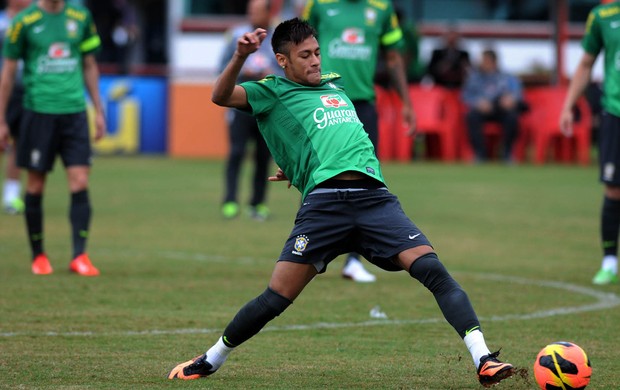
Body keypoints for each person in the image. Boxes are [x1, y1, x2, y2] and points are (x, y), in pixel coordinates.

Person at [168, 18, 515, 388]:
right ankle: (211, 359)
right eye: (305, 55)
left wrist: (298, 163)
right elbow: (220, 96)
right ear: (283, 61)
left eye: (317, 52)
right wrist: (239, 57)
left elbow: (326, 134)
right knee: (276, 297)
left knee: (435, 273)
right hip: (325, 207)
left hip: (375, 200)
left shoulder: (334, 84)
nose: (315, 61)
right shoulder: (271, 90)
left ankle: (484, 360)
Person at [302, 0, 416, 283]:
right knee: (317, 174)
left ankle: (353, 260)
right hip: (324, 100)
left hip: (363, 104)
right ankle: (308, 248)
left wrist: (406, 102)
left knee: (366, 179)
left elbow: (393, 57)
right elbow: (297, 48)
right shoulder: (318, 4)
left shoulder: (382, 7)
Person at [0, 0, 106, 275]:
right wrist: (1, 120)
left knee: (80, 180)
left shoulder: (80, 16)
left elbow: (89, 64)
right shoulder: (23, 22)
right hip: (38, 113)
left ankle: (79, 256)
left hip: (74, 113)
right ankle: (39, 256)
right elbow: (9, 73)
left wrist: (98, 109)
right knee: (35, 185)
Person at [560, 0, 620, 285]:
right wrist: (568, 105)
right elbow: (585, 64)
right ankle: (609, 261)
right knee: (614, 190)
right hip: (615, 113)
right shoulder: (603, 16)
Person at [219, 0, 278, 221]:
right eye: (249, 10)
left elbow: (286, 72)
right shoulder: (236, 34)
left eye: (256, 11)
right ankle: (230, 201)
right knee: (236, 153)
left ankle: (258, 204)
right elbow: (222, 67)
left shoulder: (280, 38)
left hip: (267, 108)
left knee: (263, 157)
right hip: (240, 104)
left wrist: (269, 75)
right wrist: (246, 72)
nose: (251, 15)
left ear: (268, 13)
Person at [461, 49, 524, 163]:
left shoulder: (507, 77)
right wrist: (477, 102)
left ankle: (507, 153)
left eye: (485, 60)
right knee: (471, 117)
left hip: (501, 109)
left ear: (494, 62)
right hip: (482, 110)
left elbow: (517, 94)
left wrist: (510, 99)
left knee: (512, 118)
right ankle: (480, 154)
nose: (482, 63)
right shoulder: (474, 78)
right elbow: (466, 96)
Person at [0, 0, 30, 215]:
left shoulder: (34, 22)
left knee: (19, 143)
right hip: (2, 89)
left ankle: (11, 196)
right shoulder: (2, 22)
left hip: (24, 91)